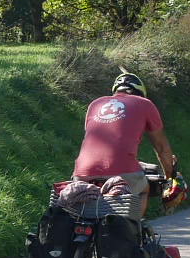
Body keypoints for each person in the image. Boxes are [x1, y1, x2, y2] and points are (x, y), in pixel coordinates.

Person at [75, 69, 179, 228]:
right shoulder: (145, 104)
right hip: (124, 170)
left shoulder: (95, 104)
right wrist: (170, 175)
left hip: (82, 171)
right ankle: (132, 229)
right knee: (144, 189)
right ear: (140, 92)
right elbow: (161, 147)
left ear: (115, 91)